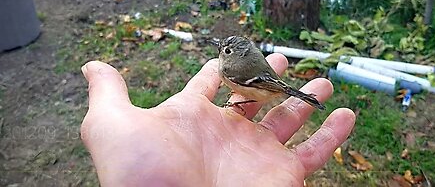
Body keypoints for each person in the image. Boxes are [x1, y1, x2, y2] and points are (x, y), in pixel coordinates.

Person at [80, 53, 356, 186]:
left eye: (225, 50)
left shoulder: (234, 69)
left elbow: (264, 88)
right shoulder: (242, 64)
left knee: (254, 95)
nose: (221, 53)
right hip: (268, 85)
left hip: (265, 88)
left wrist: (274, 91)